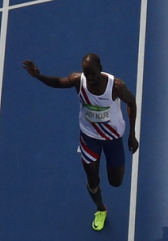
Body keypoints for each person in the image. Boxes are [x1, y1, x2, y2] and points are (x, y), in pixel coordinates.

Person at [22, 54, 138, 231]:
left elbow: (132, 103)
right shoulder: (78, 80)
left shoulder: (116, 87)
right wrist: (38, 75)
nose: (89, 78)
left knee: (116, 182)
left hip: (112, 138)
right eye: (86, 73)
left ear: (101, 68)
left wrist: (132, 134)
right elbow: (57, 83)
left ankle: (106, 188)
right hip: (89, 137)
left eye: (92, 73)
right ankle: (100, 209)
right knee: (92, 178)